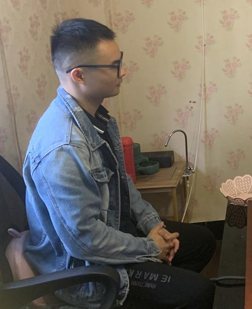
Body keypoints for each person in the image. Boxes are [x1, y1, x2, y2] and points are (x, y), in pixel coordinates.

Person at [23, 19, 216, 308]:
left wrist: (155, 226)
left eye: (120, 61)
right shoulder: (62, 149)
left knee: (203, 241)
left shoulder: (98, 118)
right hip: (85, 271)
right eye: (114, 66)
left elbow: (123, 184)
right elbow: (84, 240)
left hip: (114, 231)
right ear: (78, 75)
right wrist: (150, 247)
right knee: (198, 291)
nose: (123, 71)